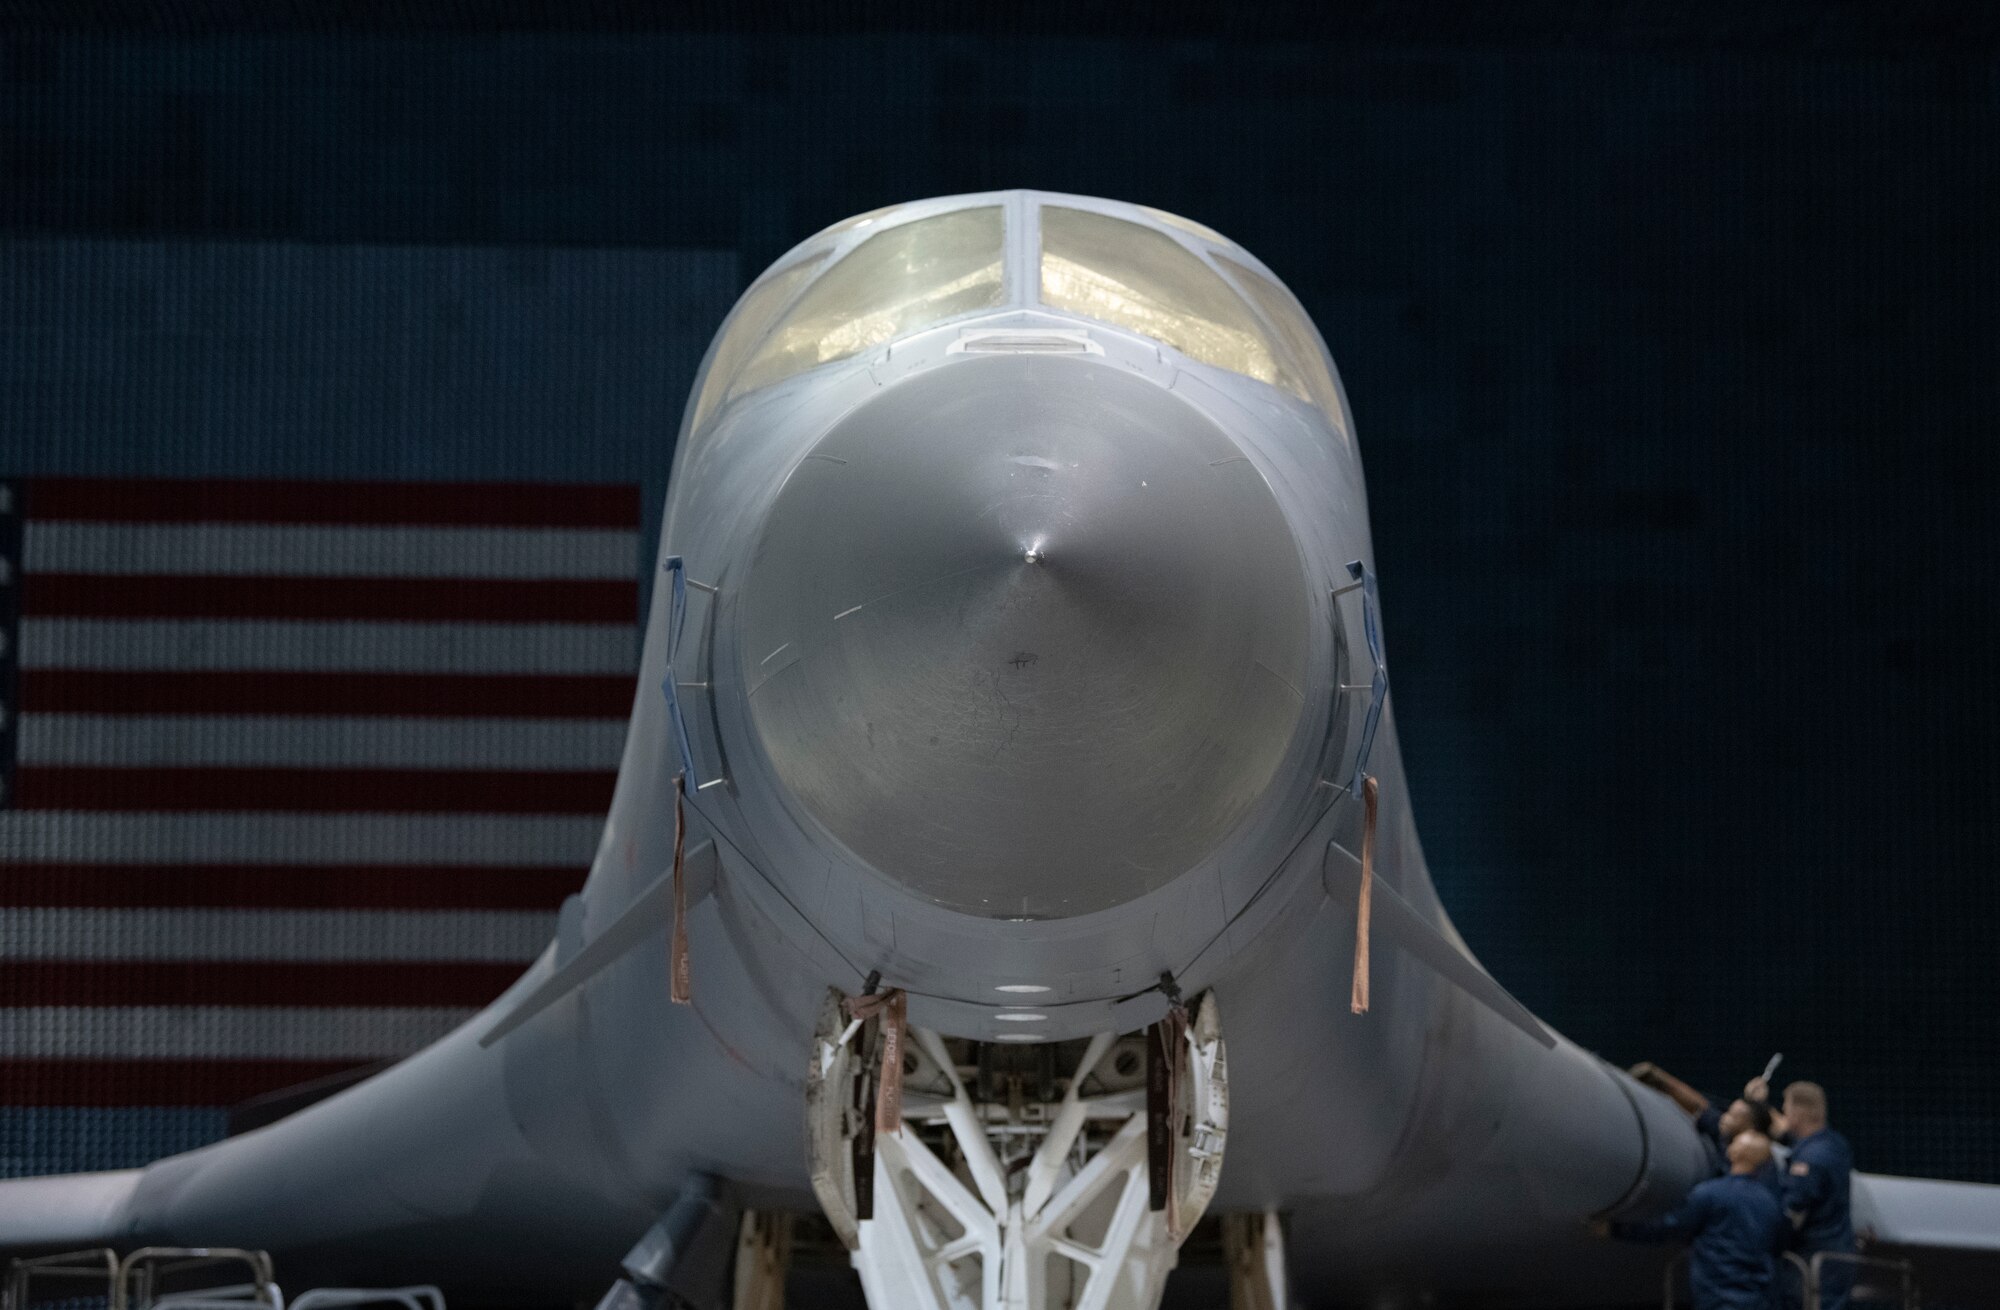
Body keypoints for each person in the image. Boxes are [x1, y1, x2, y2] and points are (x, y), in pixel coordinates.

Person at [1598, 1130, 1788, 1310]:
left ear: (1736, 1153)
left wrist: (1616, 1230)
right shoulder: (1770, 1202)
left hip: (1717, 1296)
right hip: (1759, 1300)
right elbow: (1778, 1246)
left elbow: (1670, 1228)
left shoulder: (1710, 1193)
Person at [1748, 1079, 1857, 1310]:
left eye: (1786, 1108)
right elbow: (1783, 1131)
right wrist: (1759, 1105)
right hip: (1833, 1260)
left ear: (1798, 1112)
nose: (1784, 1114)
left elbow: (1791, 1215)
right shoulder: (1832, 1144)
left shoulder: (1811, 1160)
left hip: (1810, 1267)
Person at [1629, 1061, 1785, 1198]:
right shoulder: (1726, 1131)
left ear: (1750, 1128)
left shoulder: (1766, 1168)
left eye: (1733, 1116)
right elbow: (1699, 1107)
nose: (1724, 1118)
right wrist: (1658, 1079)